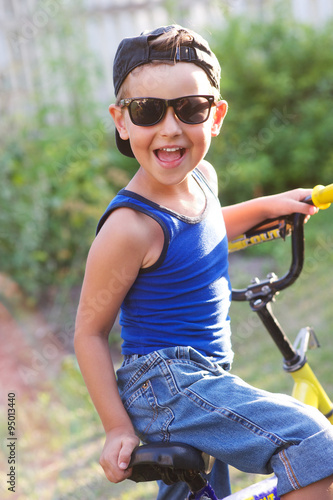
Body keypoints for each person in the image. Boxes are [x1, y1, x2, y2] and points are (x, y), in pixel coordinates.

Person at [74, 24, 333, 500]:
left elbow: (208, 225)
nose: (170, 128)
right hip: (165, 386)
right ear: (121, 120)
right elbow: (89, 332)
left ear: (215, 116)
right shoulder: (130, 227)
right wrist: (116, 427)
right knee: (314, 440)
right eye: (149, 111)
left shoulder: (202, 180)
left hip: (205, 377)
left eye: (190, 108)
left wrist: (272, 204)